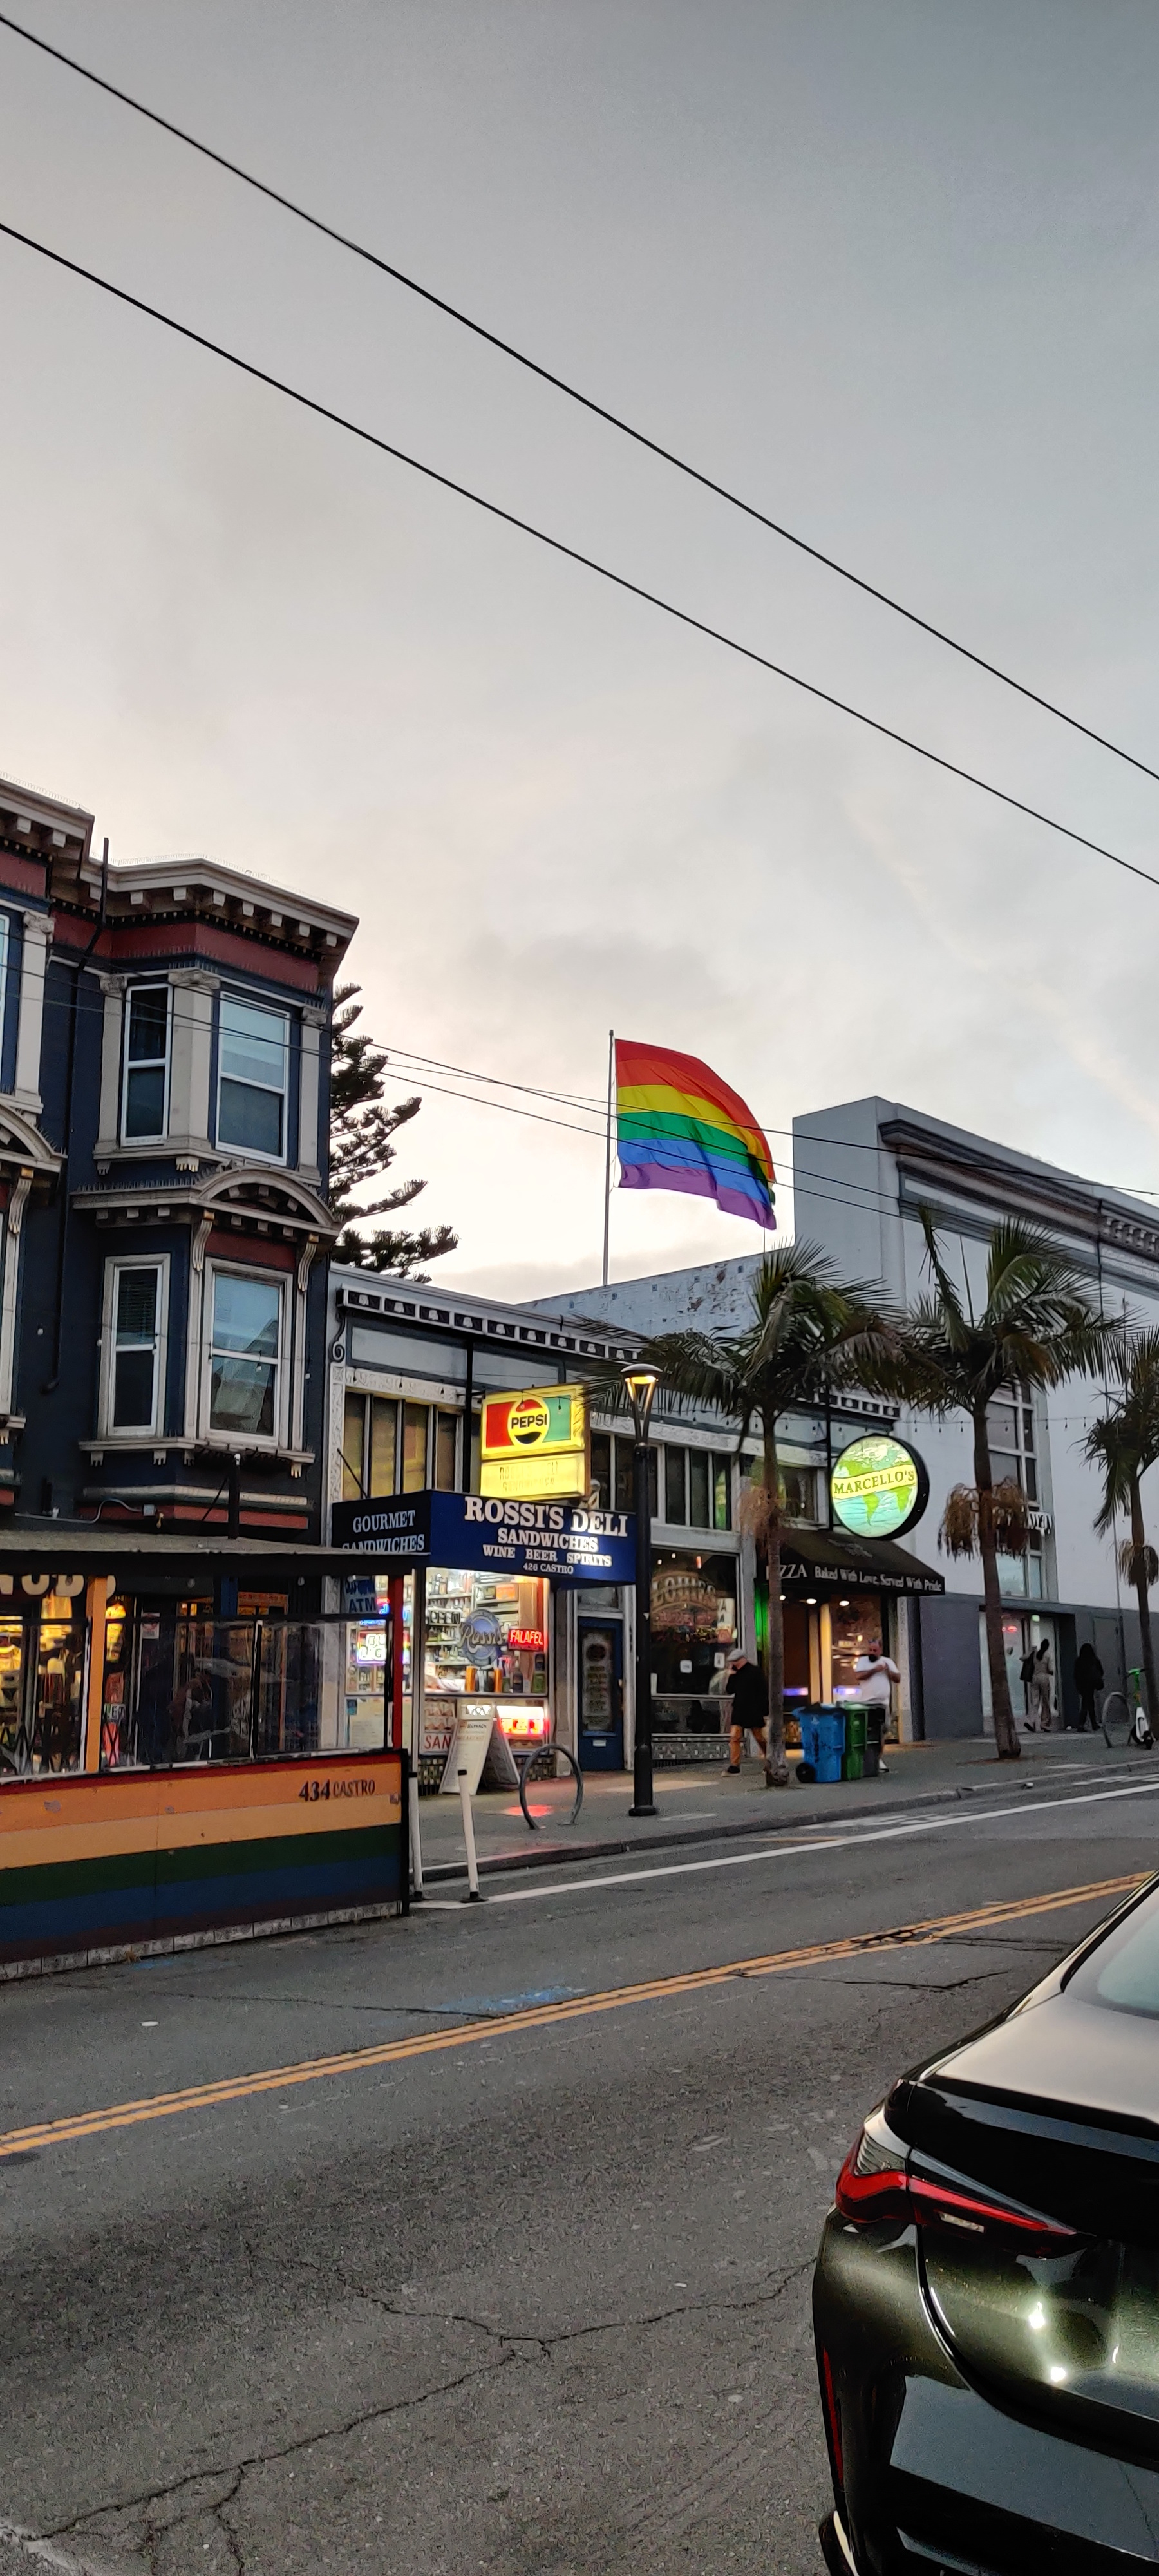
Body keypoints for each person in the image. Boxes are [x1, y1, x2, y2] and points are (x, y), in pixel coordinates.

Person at [723, 1651, 768, 1770]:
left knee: (759, 1737)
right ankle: (735, 1765)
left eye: (735, 1661)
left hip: (753, 1709)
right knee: (735, 1737)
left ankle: (770, 1759)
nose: (733, 1664)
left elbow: (763, 1692)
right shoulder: (736, 1673)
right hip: (740, 1709)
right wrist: (731, 1676)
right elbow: (729, 1690)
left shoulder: (755, 1672)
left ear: (741, 1660)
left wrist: (763, 1709)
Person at [1072, 1642, 1104, 1734]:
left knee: (1088, 1703)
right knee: (1087, 1704)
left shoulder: (1079, 1661)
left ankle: (1091, 1724)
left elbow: (1075, 1674)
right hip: (1091, 1684)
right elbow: (1101, 1671)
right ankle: (1083, 1724)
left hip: (1081, 1685)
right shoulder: (1094, 1660)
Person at [1026, 1636, 1055, 1733]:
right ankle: (1044, 1723)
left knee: (1035, 1702)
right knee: (1045, 1702)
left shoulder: (1036, 1654)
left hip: (1035, 1678)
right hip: (1044, 1678)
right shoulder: (1048, 1655)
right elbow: (1050, 1669)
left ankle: (1031, 1722)